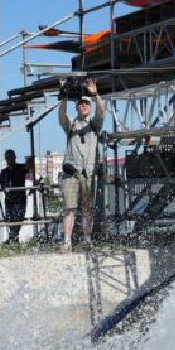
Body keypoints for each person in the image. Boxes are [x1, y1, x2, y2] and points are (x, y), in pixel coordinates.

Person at [58, 78, 106, 251]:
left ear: (90, 107)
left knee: (87, 209)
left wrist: (95, 95)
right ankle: (67, 242)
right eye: (81, 104)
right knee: (69, 208)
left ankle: (87, 240)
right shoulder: (71, 124)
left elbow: (102, 112)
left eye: (87, 104)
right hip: (71, 172)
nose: (84, 106)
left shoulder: (94, 124)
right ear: (77, 107)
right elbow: (61, 116)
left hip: (88, 173)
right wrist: (64, 96)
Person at [0, 148, 33, 243]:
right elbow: (2, 185)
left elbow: (28, 167)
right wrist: (6, 191)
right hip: (10, 200)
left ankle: (13, 237)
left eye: (11, 157)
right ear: (6, 159)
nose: (10, 159)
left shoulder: (20, 168)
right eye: (8, 157)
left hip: (20, 199)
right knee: (10, 219)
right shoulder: (4, 172)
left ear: (14, 157)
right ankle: (13, 237)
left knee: (19, 218)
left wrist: (30, 159)